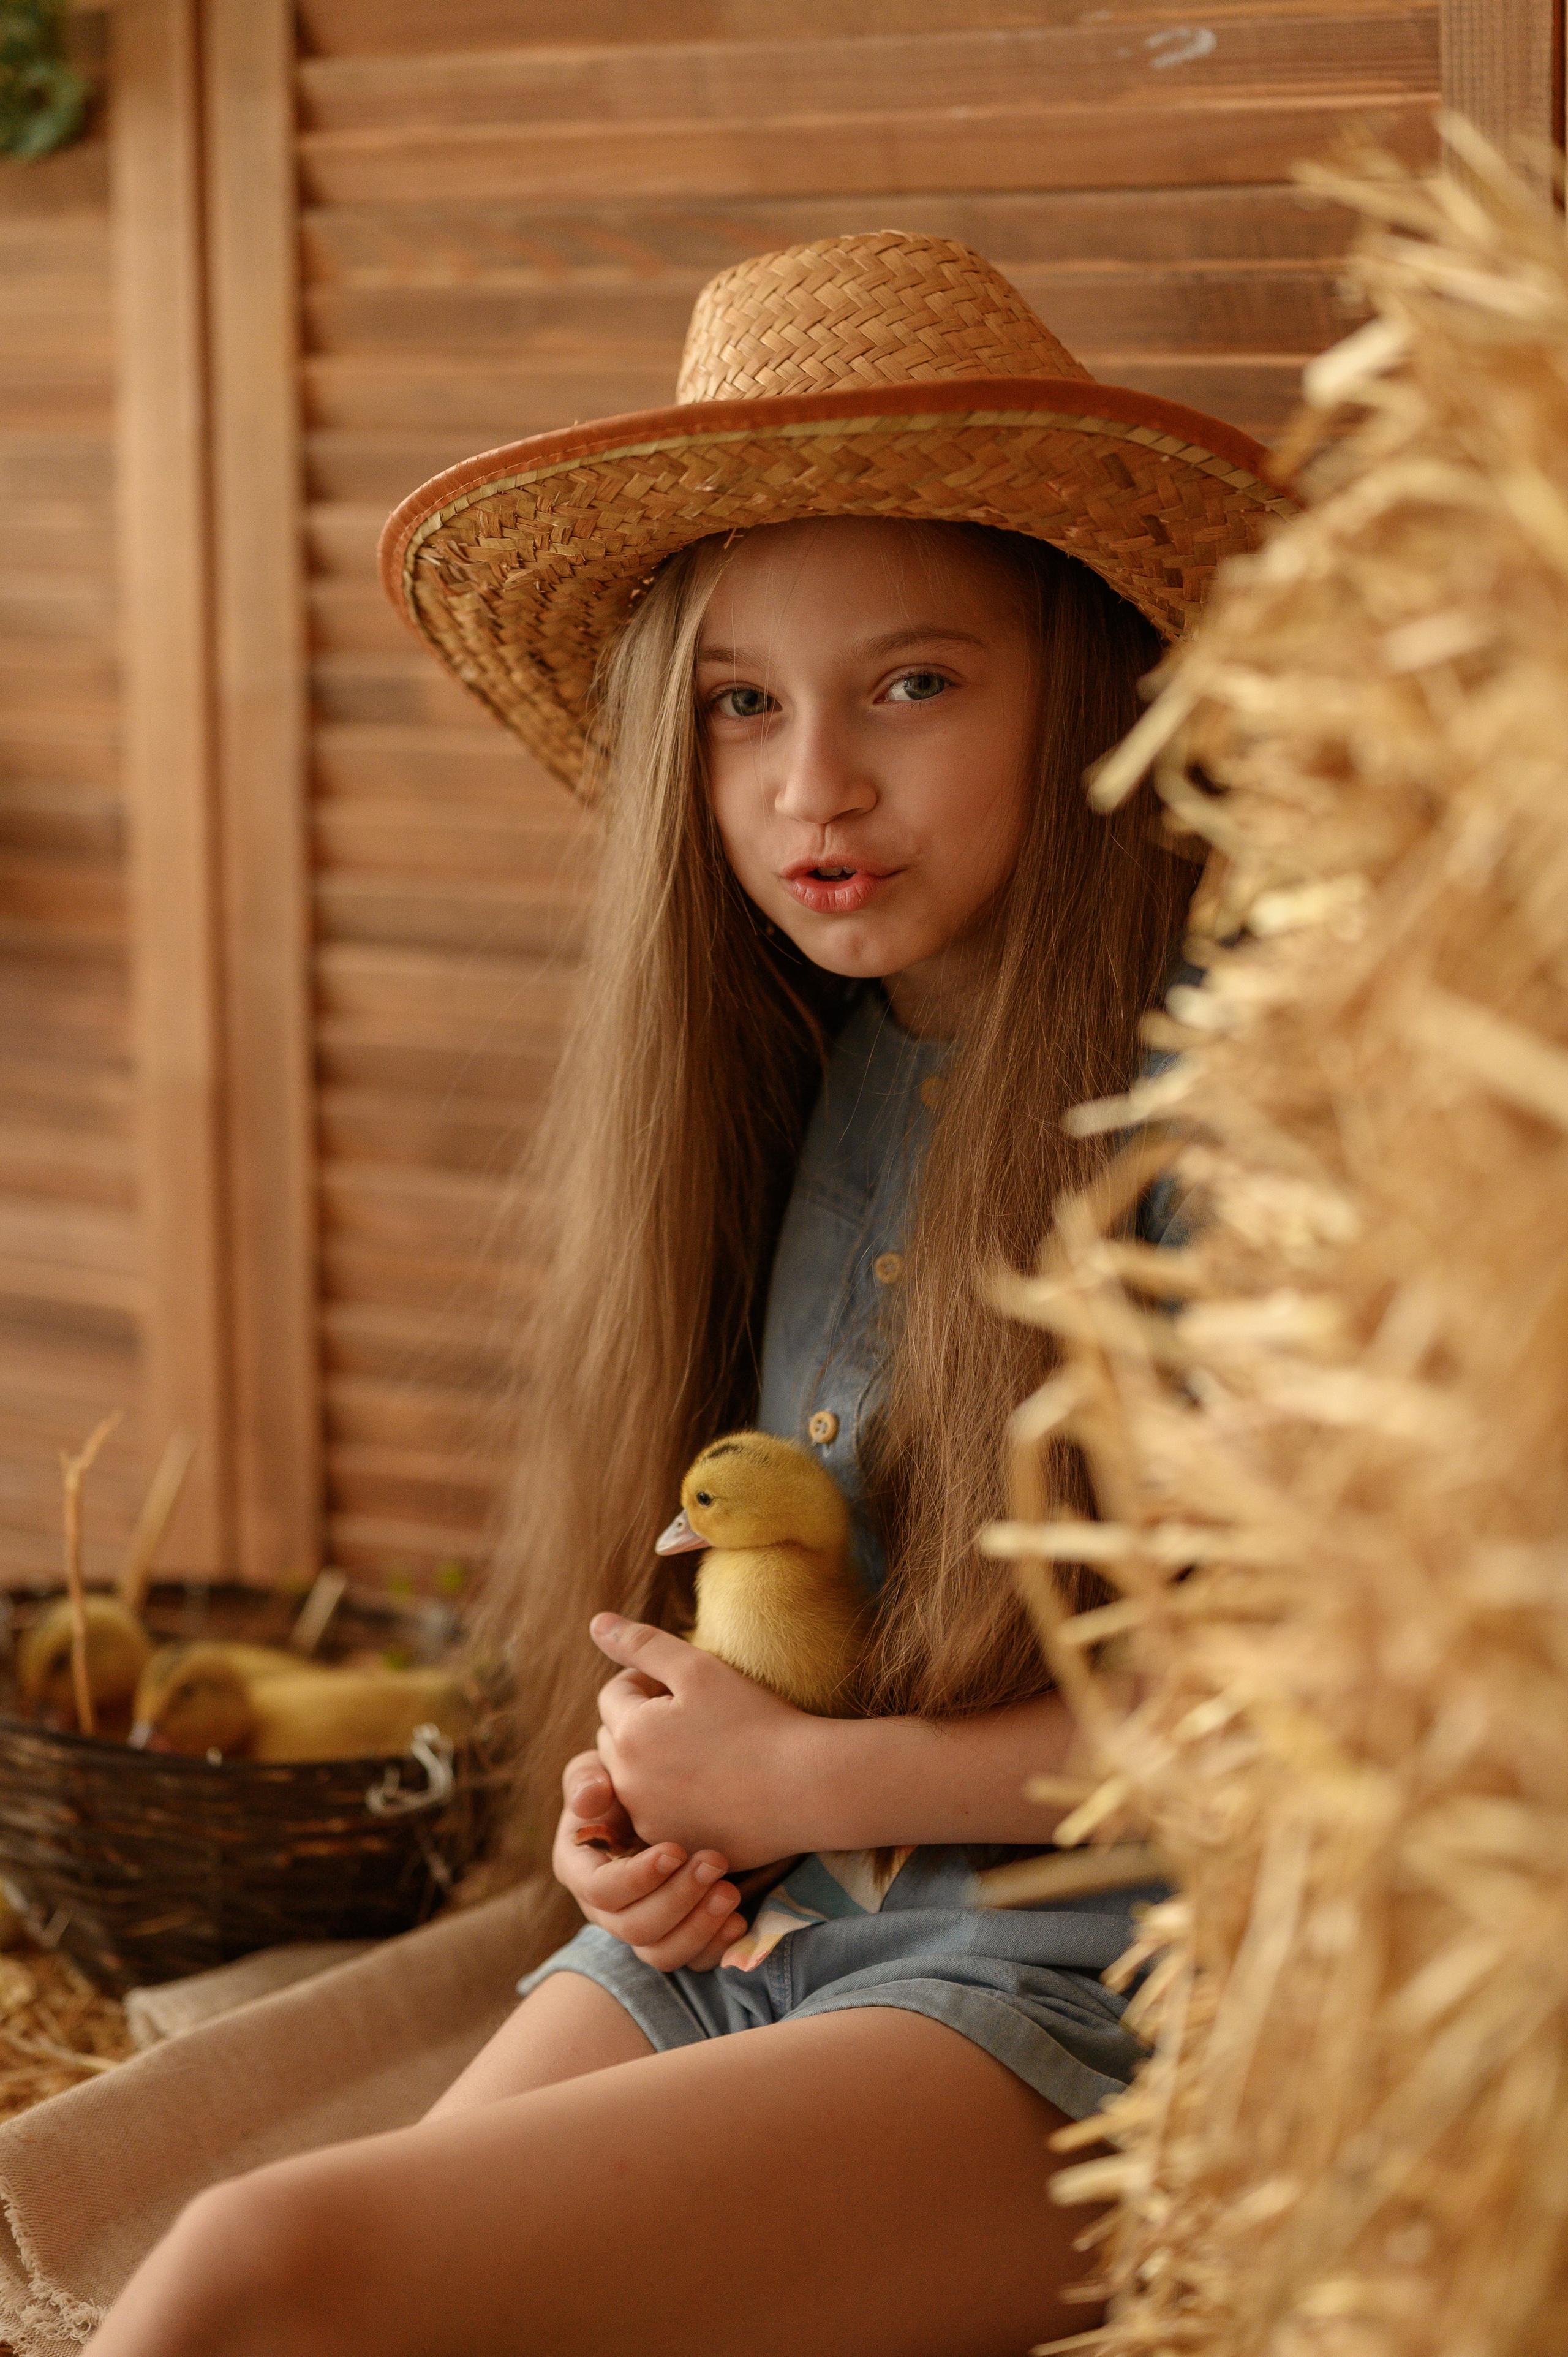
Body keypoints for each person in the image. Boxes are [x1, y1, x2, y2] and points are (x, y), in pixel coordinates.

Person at [85, 233, 1285, 2357]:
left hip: (1091, 1997)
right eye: (743, 704)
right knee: (273, 2263)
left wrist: (816, 1789)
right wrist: (660, 1802)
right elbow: (816, 1612)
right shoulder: (815, 1078)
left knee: (249, 2285)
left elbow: (1314, 1727)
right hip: (766, 1929)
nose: (811, 782)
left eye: (911, 683)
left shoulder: (1236, 1108)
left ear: (1081, 679)